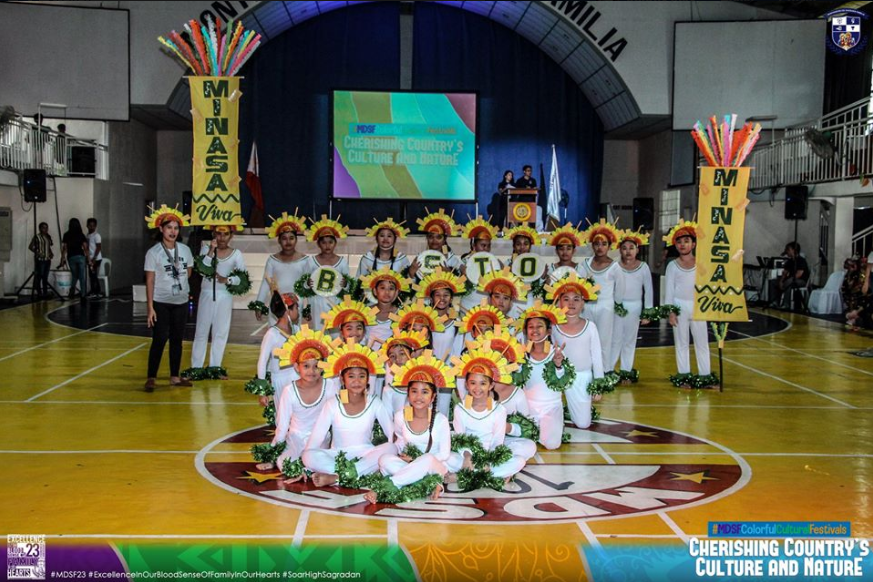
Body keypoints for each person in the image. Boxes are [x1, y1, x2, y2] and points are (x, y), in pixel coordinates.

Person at [301, 341, 394, 488]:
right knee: (308, 456)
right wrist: (305, 467)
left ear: (367, 378)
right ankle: (355, 475)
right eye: (351, 376)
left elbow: (392, 433)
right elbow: (316, 438)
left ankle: (337, 477)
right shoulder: (332, 404)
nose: (357, 381)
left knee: (391, 448)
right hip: (337, 456)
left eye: (361, 376)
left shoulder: (375, 402)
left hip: (365, 454)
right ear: (342, 379)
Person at [364, 354, 454, 504]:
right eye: (414, 391)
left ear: (432, 397)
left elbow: (444, 454)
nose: (419, 397)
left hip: (434, 466)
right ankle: (428, 483)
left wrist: (414, 460)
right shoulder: (401, 416)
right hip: (409, 465)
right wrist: (400, 454)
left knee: (427, 459)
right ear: (408, 394)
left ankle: (386, 486)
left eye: (424, 392)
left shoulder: (440, 420)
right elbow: (400, 440)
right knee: (384, 460)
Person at [445, 347, 527, 491]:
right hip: (465, 456)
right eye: (473, 383)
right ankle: (487, 476)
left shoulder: (499, 410)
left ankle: (463, 476)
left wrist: (487, 461)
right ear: (466, 384)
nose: (477, 388)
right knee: (445, 457)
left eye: (483, 383)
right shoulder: (460, 409)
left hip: (489, 458)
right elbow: (460, 438)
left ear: (491, 385)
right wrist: (467, 456)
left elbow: (497, 442)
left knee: (519, 461)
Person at [271, 327, 341, 483]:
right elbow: (282, 425)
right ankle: (304, 470)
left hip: (321, 439)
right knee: (283, 462)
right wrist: (273, 453)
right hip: (295, 440)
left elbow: (337, 418)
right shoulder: (289, 391)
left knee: (321, 461)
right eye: (306, 366)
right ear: (297, 367)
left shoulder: (330, 386)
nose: (312, 371)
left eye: (316, 366)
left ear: (323, 366)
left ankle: (307, 470)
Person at [547, 272, 611, 428]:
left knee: (583, 424)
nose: (571, 303)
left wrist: (598, 384)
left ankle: (576, 408)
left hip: (582, 376)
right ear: (559, 302)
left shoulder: (590, 327)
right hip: (557, 375)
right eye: (566, 299)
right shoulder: (553, 327)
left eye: (576, 299)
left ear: (583, 303)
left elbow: (597, 357)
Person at [186, 225, 248, 379]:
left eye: (225, 234)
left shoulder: (236, 254)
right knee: (201, 331)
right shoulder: (206, 249)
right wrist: (211, 251)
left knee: (220, 332)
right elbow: (202, 269)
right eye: (218, 234)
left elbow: (243, 278)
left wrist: (227, 279)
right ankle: (196, 367)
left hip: (225, 296)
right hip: (206, 294)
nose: (221, 238)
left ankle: (215, 366)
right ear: (214, 234)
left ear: (231, 235)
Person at [143, 205, 194, 392]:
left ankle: (174, 376)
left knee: (177, 340)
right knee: (159, 339)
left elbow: (189, 273)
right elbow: (150, 280)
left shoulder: (185, 250)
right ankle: (151, 377)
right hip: (161, 302)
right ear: (161, 229)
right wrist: (150, 307)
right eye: (169, 228)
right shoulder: (153, 253)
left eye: (176, 228)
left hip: (181, 302)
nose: (173, 232)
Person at [662, 220, 717, 389]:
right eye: (679, 241)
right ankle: (684, 376)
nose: (682, 244)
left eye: (686, 241)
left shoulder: (701, 263)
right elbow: (669, 290)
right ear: (675, 245)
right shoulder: (672, 266)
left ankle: (705, 376)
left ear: (693, 244)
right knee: (682, 343)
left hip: (698, 306)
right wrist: (671, 311)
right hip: (679, 307)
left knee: (702, 342)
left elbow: (709, 285)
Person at [517, 302, 571, 449]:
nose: (535, 330)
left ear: (548, 330)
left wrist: (558, 365)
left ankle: (551, 427)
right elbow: (516, 380)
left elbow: (564, 381)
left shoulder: (557, 352)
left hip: (551, 407)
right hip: (528, 406)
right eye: (531, 327)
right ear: (525, 331)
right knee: (525, 441)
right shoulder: (521, 353)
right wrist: (517, 362)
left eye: (539, 326)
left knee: (552, 445)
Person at [579, 219, 625, 369]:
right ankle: (588, 369)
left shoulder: (615, 267)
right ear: (592, 246)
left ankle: (605, 371)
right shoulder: (585, 264)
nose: (600, 247)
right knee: (587, 339)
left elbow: (620, 290)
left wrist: (616, 305)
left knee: (604, 340)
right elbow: (579, 284)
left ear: (610, 246)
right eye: (597, 244)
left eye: (604, 244)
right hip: (587, 307)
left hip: (606, 307)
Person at [609, 229, 654, 382]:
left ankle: (626, 372)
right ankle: (609, 370)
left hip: (635, 307)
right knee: (615, 339)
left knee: (629, 340)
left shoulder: (643, 267)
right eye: (624, 248)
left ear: (637, 250)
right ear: (619, 250)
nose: (628, 251)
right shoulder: (615, 266)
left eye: (631, 248)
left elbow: (648, 290)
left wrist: (647, 312)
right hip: (617, 307)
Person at [253, 212, 310, 324]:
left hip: (295, 306)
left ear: (296, 240)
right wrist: (259, 303)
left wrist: (309, 306)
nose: (288, 242)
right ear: (279, 240)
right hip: (277, 305)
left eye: (291, 238)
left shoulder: (305, 260)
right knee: (276, 332)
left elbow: (308, 286)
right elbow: (266, 283)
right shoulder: (272, 260)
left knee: (294, 333)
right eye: (284, 238)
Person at [304, 216, 350, 331]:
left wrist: (345, 284)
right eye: (323, 242)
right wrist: (307, 284)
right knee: (319, 332)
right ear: (318, 244)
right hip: (317, 301)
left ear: (335, 243)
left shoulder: (342, 262)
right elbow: (304, 285)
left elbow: (349, 286)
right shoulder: (311, 261)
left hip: (336, 301)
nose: (327, 245)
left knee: (335, 331)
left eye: (330, 242)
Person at [413, 267, 467, 362]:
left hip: (447, 369)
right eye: (437, 295)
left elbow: (457, 351)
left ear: (451, 299)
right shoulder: (423, 322)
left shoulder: (457, 324)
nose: (442, 298)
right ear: (431, 299)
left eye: (446, 295)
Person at [459, 217, 500, 314]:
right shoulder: (465, 261)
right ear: (474, 245)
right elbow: (458, 285)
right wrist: (463, 275)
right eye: (483, 245)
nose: (486, 248)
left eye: (488, 245)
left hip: (486, 306)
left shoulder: (494, 261)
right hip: (467, 306)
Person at [409, 209, 462, 278]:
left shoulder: (451, 258)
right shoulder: (421, 257)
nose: (434, 240)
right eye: (431, 237)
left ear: (444, 239)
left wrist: (449, 274)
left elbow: (462, 280)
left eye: (439, 237)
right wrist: (411, 274)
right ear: (427, 238)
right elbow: (412, 281)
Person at [769, 241, 809, 310]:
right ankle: (774, 302)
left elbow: (799, 274)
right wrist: (781, 281)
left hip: (801, 280)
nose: (787, 251)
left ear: (794, 250)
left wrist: (788, 280)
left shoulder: (801, 260)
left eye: (788, 249)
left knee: (789, 282)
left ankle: (786, 304)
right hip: (790, 280)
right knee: (773, 281)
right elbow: (785, 273)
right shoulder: (790, 261)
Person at [58, 218, 89, 299]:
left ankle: (72, 290)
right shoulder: (81, 234)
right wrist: (89, 259)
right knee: (81, 276)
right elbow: (85, 248)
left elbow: (64, 248)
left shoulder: (66, 235)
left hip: (71, 257)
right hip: (80, 256)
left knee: (74, 275)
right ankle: (83, 294)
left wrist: (62, 259)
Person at [28, 222, 54, 299]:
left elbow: (48, 247)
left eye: (46, 228)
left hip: (47, 259)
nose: (45, 229)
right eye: (43, 228)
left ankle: (45, 292)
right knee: (39, 276)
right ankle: (39, 292)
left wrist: (51, 253)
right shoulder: (37, 237)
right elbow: (30, 247)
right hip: (40, 260)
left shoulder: (48, 237)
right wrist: (38, 252)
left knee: (45, 277)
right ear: (40, 229)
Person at [85, 218, 103, 297]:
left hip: (96, 258)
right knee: (92, 275)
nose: (91, 227)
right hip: (90, 258)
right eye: (90, 225)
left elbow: (99, 247)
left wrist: (94, 258)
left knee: (93, 274)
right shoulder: (87, 235)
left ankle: (97, 291)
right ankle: (94, 291)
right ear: (87, 225)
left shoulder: (96, 235)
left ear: (95, 226)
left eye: (93, 226)